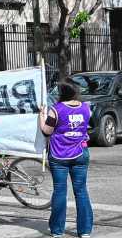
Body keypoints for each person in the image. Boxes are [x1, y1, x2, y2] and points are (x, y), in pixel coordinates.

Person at [40, 79, 92, 238]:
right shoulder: (86, 108)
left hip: (59, 155)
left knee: (60, 191)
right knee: (81, 191)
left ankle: (57, 230)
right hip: (81, 153)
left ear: (62, 92)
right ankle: (85, 231)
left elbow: (46, 131)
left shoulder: (56, 110)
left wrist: (41, 116)